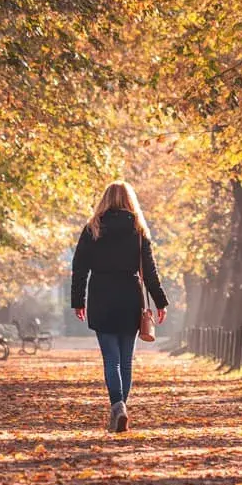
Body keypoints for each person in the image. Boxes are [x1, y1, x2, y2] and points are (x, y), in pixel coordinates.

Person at [71, 181, 168, 432]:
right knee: (126, 360)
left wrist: (78, 301)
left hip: (102, 295)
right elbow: (149, 271)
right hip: (129, 296)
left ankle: (117, 407)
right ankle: (122, 406)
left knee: (111, 359)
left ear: (104, 200)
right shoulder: (138, 229)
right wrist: (160, 301)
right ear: (129, 200)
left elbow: (79, 268)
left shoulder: (92, 228)